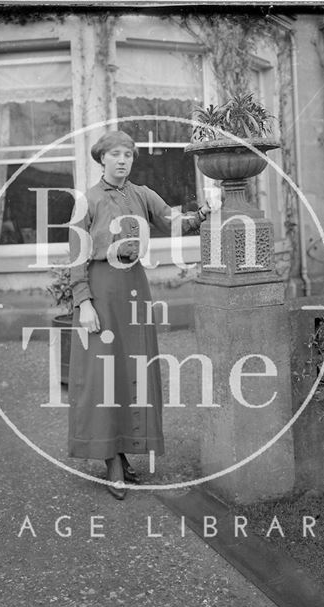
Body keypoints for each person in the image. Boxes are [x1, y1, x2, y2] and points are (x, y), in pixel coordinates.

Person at [67, 130, 210, 500]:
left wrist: (203, 215)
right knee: (103, 374)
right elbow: (76, 258)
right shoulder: (88, 201)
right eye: (115, 154)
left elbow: (172, 222)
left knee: (135, 370)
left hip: (134, 286)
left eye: (128, 155)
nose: (122, 160)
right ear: (102, 159)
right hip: (101, 291)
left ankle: (127, 450)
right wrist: (83, 304)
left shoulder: (142, 194)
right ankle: (111, 459)